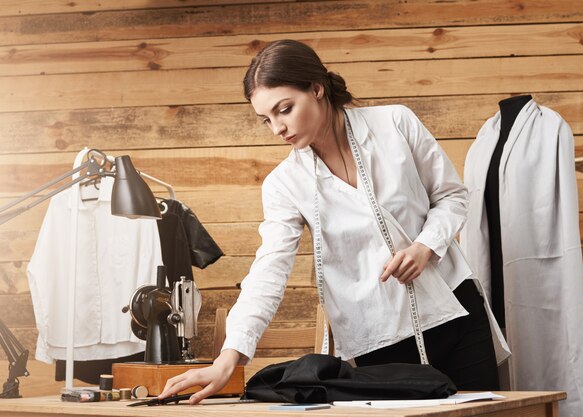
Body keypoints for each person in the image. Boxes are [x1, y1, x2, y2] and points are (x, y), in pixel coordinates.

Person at [159, 39, 508, 404]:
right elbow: (269, 270)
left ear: (317, 87)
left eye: (285, 109)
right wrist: (229, 357)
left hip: (454, 305)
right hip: (380, 334)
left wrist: (425, 247)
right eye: (266, 120)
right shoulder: (285, 183)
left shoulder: (395, 124)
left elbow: (452, 196)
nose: (278, 128)